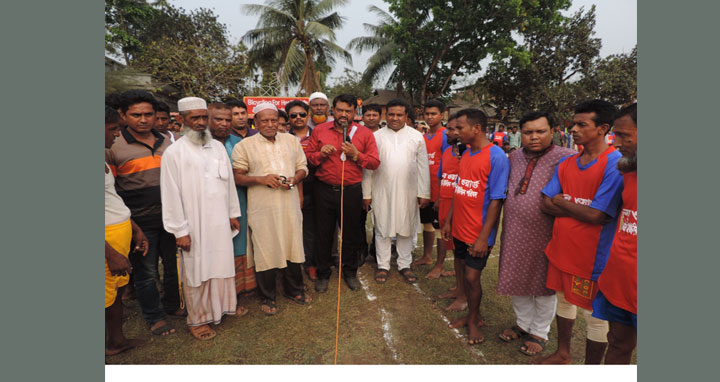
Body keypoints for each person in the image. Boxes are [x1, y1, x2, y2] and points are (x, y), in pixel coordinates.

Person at [537, 99, 623, 364]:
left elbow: (598, 215)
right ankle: (563, 353)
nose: (573, 128)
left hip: (592, 257)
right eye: (573, 123)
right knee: (564, 301)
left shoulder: (615, 164)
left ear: (602, 128)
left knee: (593, 314)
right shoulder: (568, 163)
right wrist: (573, 208)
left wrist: (564, 202)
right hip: (562, 250)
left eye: (581, 124)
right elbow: (545, 202)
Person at [160, 97, 242, 341]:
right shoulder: (174, 153)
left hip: (219, 221)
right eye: (194, 118)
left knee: (221, 265)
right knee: (197, 269)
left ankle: (222, 308)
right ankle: (198, 320)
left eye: (203, 117)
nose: (199, 122)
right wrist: (179, 231)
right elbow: (170, 194)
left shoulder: (217, 147)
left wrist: (232, 213)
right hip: (193, 224)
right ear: (182, 120)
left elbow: (228, 184)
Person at [496, 112, 576, 357]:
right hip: (514, 230)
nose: (534, 137)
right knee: (517, 277)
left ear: (552, 131)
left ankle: (540, 332)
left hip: (547, 231)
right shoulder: (515, 156)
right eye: (528, 132)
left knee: (543, 283)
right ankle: (522, 324)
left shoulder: (568, 157)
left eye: (540, 131)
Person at [106, 90, 181, 337]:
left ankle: (173, 305)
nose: (143, 119)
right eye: (136, 114)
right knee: (146, 271)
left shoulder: (168, 142)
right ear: (123, 115)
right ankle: (154, 316)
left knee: (173, 266)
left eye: (148, 114)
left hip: (171, 218)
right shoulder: (113, 144)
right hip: (138, 222)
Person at [232, 103, 311, 314]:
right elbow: (237, 176)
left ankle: (293, 290)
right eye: (264, 121)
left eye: (274, 120)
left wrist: (295, 179)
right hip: (262, 207)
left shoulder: (291, 141)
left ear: (279, 121)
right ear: (255, 122)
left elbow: (303, 168)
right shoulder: (245, 146)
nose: (269, 124)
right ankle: (267, 297)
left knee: (292, 244)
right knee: (265, 248)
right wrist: (262, 179)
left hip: (289, 204)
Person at [441, 108, 509, 345]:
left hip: (477, 232)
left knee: (472, 277)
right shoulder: (467, 153)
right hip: (459, 226)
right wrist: (449, 220)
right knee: (461, 267)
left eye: (460, 128)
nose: (455, 132)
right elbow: (459, 189)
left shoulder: (497, 156)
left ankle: (473, 320)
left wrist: (484, 237)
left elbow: (496, 200)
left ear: (476, 129)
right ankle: (474, 315)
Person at [305, 94, 380, 292]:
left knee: (351, 234)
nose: (344, 114)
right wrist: (320, 154)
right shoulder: (320, 130)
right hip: (324, 190)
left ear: (355, 112)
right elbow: (307, 158)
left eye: (348, 111)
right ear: (333, 110)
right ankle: (323, 273)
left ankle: (349, 272)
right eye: (340, 110)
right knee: (324, 234)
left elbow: (374, 162)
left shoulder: (364, 133)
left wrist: (357, 155)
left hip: (351, 191)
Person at [363, 98, 430, 284]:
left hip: (409, 190)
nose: (394, 118)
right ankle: (383, 265)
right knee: (382, 228)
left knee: (406, 227)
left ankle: (404, 264)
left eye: (399, 115)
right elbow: (368, 167)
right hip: (381, 189)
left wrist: (424, 193)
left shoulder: (417, 136)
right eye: (391, 114)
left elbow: (424, 167)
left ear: (406, 116)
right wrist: (366, 193)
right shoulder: (376, 137)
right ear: (386, 115)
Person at [592, 103, 637, 364]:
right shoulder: (628, 172)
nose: (615, 142)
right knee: (618, 345)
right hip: (619, 282)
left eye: (623, 136)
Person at [105, 106, 147, 356]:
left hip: (120, 232)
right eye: (112, 129)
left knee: (116, 293)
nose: (117, 135)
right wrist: (110, 254)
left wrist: (136, 229)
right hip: (108, 243)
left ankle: (116, 341)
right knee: (106, 297)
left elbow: (111, 200)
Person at [207, 103, 256, 309]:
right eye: (219, 119)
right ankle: (220, 294)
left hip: (241, 199)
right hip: (210, 205)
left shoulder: (241, 143)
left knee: (242, 241)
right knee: (218, 247)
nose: (225, 124)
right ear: (207, 120)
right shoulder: (200, 146)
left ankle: (243, 287)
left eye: (228, 120)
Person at [414, 100, 451, 280]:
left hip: (439, 192)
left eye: (433, 114)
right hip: (425, 189)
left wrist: (442, 195)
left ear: (442, 115)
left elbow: (449, 166)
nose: (429, 117)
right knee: (427, 224)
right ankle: (427, 257)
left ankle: (439, 264)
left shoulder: (446, 135)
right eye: (427, 114)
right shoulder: (423, 136)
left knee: (440, 228)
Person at [436, 114, 467, 312]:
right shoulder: (448, 151)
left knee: (463, 253)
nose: (448, 132)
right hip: (445, 206)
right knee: (456, 253)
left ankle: (465, 295)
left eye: (452, 129)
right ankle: (459, 288)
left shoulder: (469, 154)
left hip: (461, 209)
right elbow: (442, 176)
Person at [286, 100, 318, 280]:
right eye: (293, 115)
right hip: (288, 190)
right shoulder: (281, 137)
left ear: (308, 115)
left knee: (310, 230)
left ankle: (311, 264)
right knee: (291, 229)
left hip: (314, 190)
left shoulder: (318, 135)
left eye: (302, 114)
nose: (298, 118)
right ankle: (291, 266)